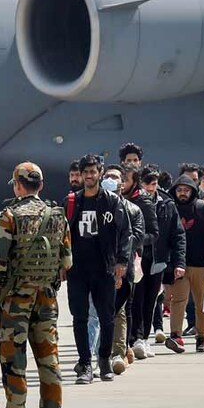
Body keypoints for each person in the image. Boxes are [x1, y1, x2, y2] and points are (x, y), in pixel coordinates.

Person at [0, 162, 70, 408]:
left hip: (15, 300)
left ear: (18, 185)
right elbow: (66, 262)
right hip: (47, 299)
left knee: (14, 365)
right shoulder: (58, 215)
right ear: (41, 186)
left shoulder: (10, 216)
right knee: (49, 363)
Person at [66, 154, 130, 383]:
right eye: (86, 172)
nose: (90, 176)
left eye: (94, 172)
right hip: (78, 270)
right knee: (79, 316)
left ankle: (104, 360)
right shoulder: (73, 201)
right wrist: (62, 265)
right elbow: (64, 235)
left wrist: (122, 262)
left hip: (105, 268)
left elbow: (125, 233)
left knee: (107, 317)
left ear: (100, 173)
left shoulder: (112, 202)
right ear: (81, 175)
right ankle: (85, 363)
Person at [165, 174, 204, 353]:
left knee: (202, 303)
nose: (182, 193)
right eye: (179, 190)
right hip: (179, 264)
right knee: (178, 300)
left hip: (203, 263)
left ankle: (202, 337)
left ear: (193, 191)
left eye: (186, 190)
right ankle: (175, 335)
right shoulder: (170, 209)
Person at [103, 164, 147, 375]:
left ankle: (117, 353)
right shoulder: (93, 206)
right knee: (97, 312)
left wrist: (119, 251)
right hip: (98, 267)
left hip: (122, 266)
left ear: (122, 183)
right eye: (107, 176)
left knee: (119, 310)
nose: (110, 180)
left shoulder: (133, 209)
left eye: (114, 177)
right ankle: (100, 352)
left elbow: (137, 238)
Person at [139, 167, 186, 352]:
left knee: (151, 301)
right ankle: (136, 338)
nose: (151, 188)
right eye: (147, 183)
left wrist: (179, 262)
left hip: (157, 259)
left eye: (154, 183)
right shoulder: (134, 202)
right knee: (137, 300)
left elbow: (178, 234)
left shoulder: (166, 203)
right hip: (137, 258)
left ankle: (144, 338)